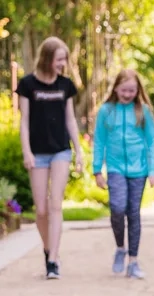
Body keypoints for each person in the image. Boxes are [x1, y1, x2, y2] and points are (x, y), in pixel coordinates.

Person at [16, 36, 84, 279]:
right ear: (47, 59)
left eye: (64, 59)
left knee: (55, 205)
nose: (62, 64)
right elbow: (24, 121)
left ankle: (53, 260)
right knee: (41, 210)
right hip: (37, 153)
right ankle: (48, 249)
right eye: (59, 59)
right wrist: (26, 151)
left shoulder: (65, 85)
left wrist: (79, 150)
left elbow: (70, 120)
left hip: (60, 151)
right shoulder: (27, 84)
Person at [91, 69, 154, 279]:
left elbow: (153, 140)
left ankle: (133, 262)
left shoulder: (143, 111)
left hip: (139, 170)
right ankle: (120, 248)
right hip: (115, 168)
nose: (128, 94)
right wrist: (97, 170)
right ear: (116, 88)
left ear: (138, 90)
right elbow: (99, 140)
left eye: (132, 90)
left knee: (133, 213)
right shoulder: (106, 111)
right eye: (124, 90)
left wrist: (153, 169)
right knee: (117, 208)